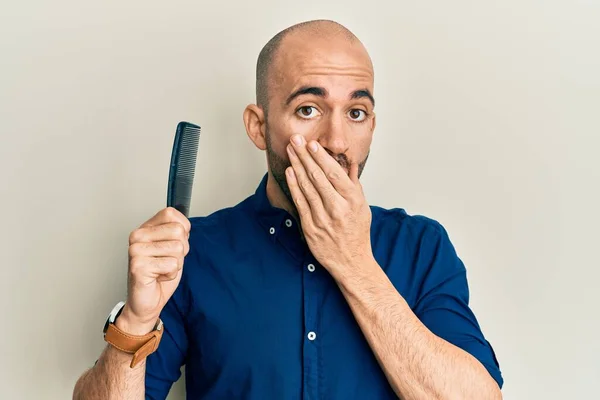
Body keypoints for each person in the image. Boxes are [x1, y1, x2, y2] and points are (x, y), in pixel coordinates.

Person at [73, 19, 503, 400]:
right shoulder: (193, 253)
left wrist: (353, 263)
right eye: (308, 109)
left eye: (356, 112)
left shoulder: (421, 247)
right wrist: (136, 319)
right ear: (259, 127)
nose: (335, 141)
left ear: (372, 126)